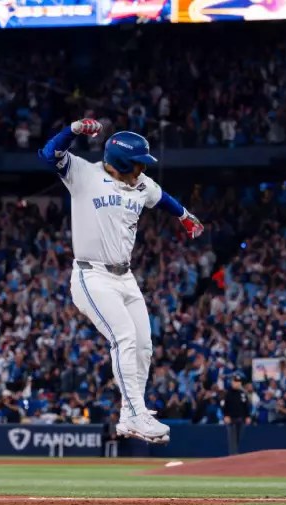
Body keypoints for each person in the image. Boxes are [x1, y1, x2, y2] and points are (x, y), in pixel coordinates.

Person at [38, 118, 203, 444]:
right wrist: (72, 130)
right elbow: (47, 155)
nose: (143, 169)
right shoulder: (85, 174)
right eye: (139, 163)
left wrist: (184, 215)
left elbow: (162, 196)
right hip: (92, 275)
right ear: (123, 162)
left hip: (124, 277)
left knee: (143, 345)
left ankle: (130, 418)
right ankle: (136, 412)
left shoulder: (141, 185)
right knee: (125, 338)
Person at [223, 374, 251, 455]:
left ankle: (235, 454)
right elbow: (225, 406)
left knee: (238, 438)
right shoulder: (228, 393)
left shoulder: (242, 393)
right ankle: (233, 455)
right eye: (235, 382)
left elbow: (246, 406)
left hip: (241, 418)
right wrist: (226, 415)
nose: (237, 383)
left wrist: (248, 416)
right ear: (232, 382)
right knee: (232, 439)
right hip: (231, 419)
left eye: (239, 382)